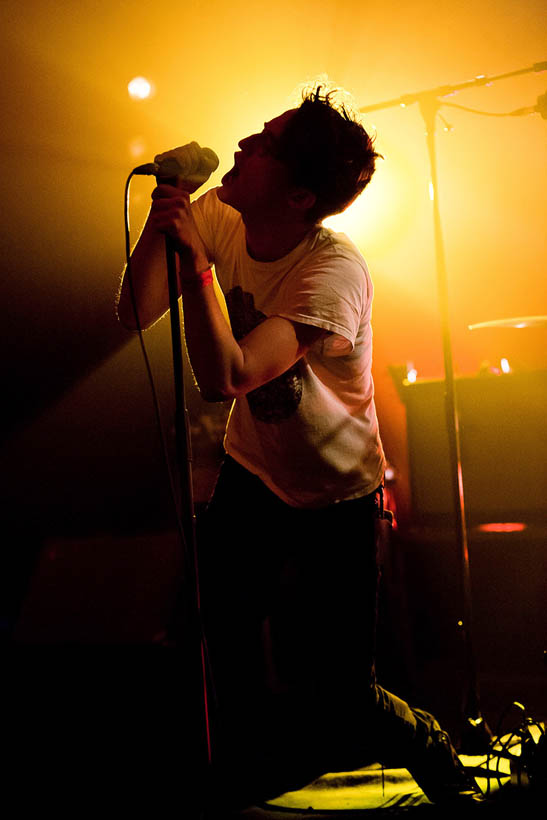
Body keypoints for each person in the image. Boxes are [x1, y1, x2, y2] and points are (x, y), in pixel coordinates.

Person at [117, 88, 483, 814]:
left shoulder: (333, 274)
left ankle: (429, 747)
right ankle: (232, 789)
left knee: (341, 694)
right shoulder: (226, 215)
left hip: (334, 499)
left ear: (298, 194)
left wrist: (196, 265)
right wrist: (165, 223)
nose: (244, 144)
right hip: (254, 474)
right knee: (207, 648)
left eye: (265, 143)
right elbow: (134, 312)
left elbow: (228, 375)